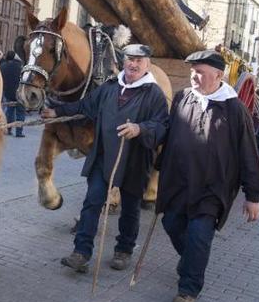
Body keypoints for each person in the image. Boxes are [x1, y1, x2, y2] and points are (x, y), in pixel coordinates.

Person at [42, 44, 168, 273]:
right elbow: (85, 106)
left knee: (130, 208)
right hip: (103, 156)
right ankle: (81, 252)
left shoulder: (154, 94)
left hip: (134, 160)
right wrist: (57, 112)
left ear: (147, 64)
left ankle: (124, 250)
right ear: (124, 61)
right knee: (92, 201)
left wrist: (140, 129)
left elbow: (161, 126)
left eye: (139, 60)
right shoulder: (110, 87)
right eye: (130, 59)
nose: (133, 64)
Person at [156, 50, 259, 302]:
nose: (194, 76)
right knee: (171, 224)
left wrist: (253, 197)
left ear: (218, 75)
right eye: (192, 71)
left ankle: (188, 289)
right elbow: (169, 135)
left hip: (212, 188)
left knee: (198, 236)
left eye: (201, 72)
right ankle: (191, 261)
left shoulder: (234, 109)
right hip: (179, 183)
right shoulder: (183, 98)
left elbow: (248, 152)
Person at [0, 50, 25, 137]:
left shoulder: (3, 66)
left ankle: (8, 129)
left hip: (8, 92)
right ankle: (19, 132)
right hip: (19, 92)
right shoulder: (20, 66)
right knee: (20, 112)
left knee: (9, 111)